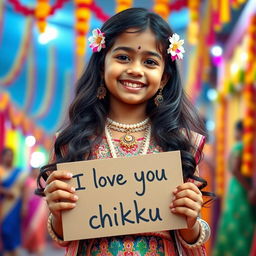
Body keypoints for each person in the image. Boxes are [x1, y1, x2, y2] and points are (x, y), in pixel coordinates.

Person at [36, 8, 212, 256]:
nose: (136, 70)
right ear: (101, 66)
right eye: (123, 57)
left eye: (150, 62)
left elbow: (190, 234)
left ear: (164, 78)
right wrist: (58, 212)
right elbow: (64, 237)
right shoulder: (74, 142)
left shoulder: (183, 144)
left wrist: (191, 221)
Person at [213, 120, 256, 255]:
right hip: (241, 189)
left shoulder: (240, 145)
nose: (235, 134)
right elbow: (234, 169)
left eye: (237, 131)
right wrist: (250, 189)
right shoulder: (241, 146)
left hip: (236, 188)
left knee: (236, 222)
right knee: (242, 223)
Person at [0, 148, 27, 256]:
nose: (9, 158)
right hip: (2, 204)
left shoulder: (19, 172)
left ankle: (12, 251)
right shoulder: (0, 170)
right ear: (2, 157)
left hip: (15, 205)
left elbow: (24, 189)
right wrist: (5, 191)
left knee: (12, 229)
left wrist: (24, 205)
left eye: (11, 156)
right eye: (7, 155)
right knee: (4, 230)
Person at [21, 167, 48, 256]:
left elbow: (45, 197)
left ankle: (39, 249)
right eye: (34, 170)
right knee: (30, 229)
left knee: (39, 232)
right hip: (30, 210)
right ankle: (31, 247)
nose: (35, 172)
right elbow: (25, 196)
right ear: (31, 171)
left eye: (37, 170)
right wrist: (24, 207)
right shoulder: (28, 182)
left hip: (40, 211)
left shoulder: (42, 182)